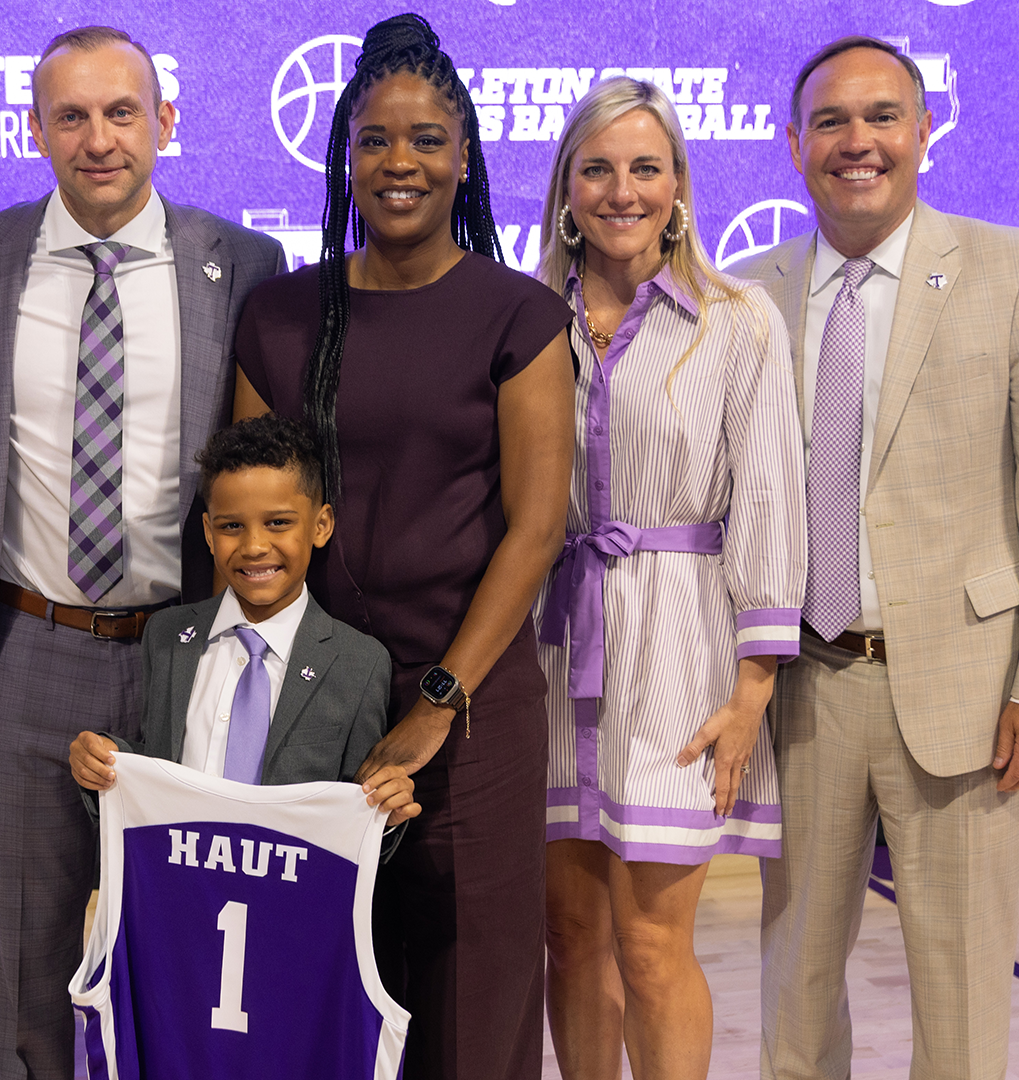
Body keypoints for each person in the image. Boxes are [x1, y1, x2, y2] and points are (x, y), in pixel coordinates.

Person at [728, 36, 1019, 1080]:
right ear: (793, 141)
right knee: (793, 981)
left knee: (963, 989)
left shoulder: (1015, 269)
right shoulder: (746, 290)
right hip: (805, 686)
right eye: (833, 122)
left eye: (883, 117)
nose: (859, 142)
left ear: (925, 131)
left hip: (971, 692)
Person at [0, 24, 286, 1079]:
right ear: (34, 128)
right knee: (29, 972)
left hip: (184, 650)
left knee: (183, 959)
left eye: (121, 112)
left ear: (164, 123)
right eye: (72, 115)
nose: (98, 139)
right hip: (26, 649)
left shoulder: (243, 265)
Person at [231, 14, 576, 1079]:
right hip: (315, 702)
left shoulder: (519, 314)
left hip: (468, 707)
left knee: (474, 991)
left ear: (464, 155)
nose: (400, 162)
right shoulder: (282, 313)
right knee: (324, 984)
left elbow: (536, 528)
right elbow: (249, 527)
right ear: (345, 154)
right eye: (376, 139)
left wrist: (434, 704)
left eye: (427, 139)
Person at [530, 77, 805, 1080]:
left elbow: (771, 498)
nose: (621, 190)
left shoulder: (739, 321)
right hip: (551, 647)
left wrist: (754, 688)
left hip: (680, 656)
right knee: (569, 934)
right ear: (566, 187)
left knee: (651, 944)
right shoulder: (521, 318)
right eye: (596, 168)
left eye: (645, 167)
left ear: (680, 184)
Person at [68, 413, 419, 825]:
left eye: (278, 523)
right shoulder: (167, 636)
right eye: (232, 525)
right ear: (209, 533)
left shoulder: (359, 663)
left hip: (284, 885)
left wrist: (387, 814)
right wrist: (103, 759)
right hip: (180, 879)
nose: (254, 546)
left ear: (321, 525)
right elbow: (156, 762)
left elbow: (355, 811)